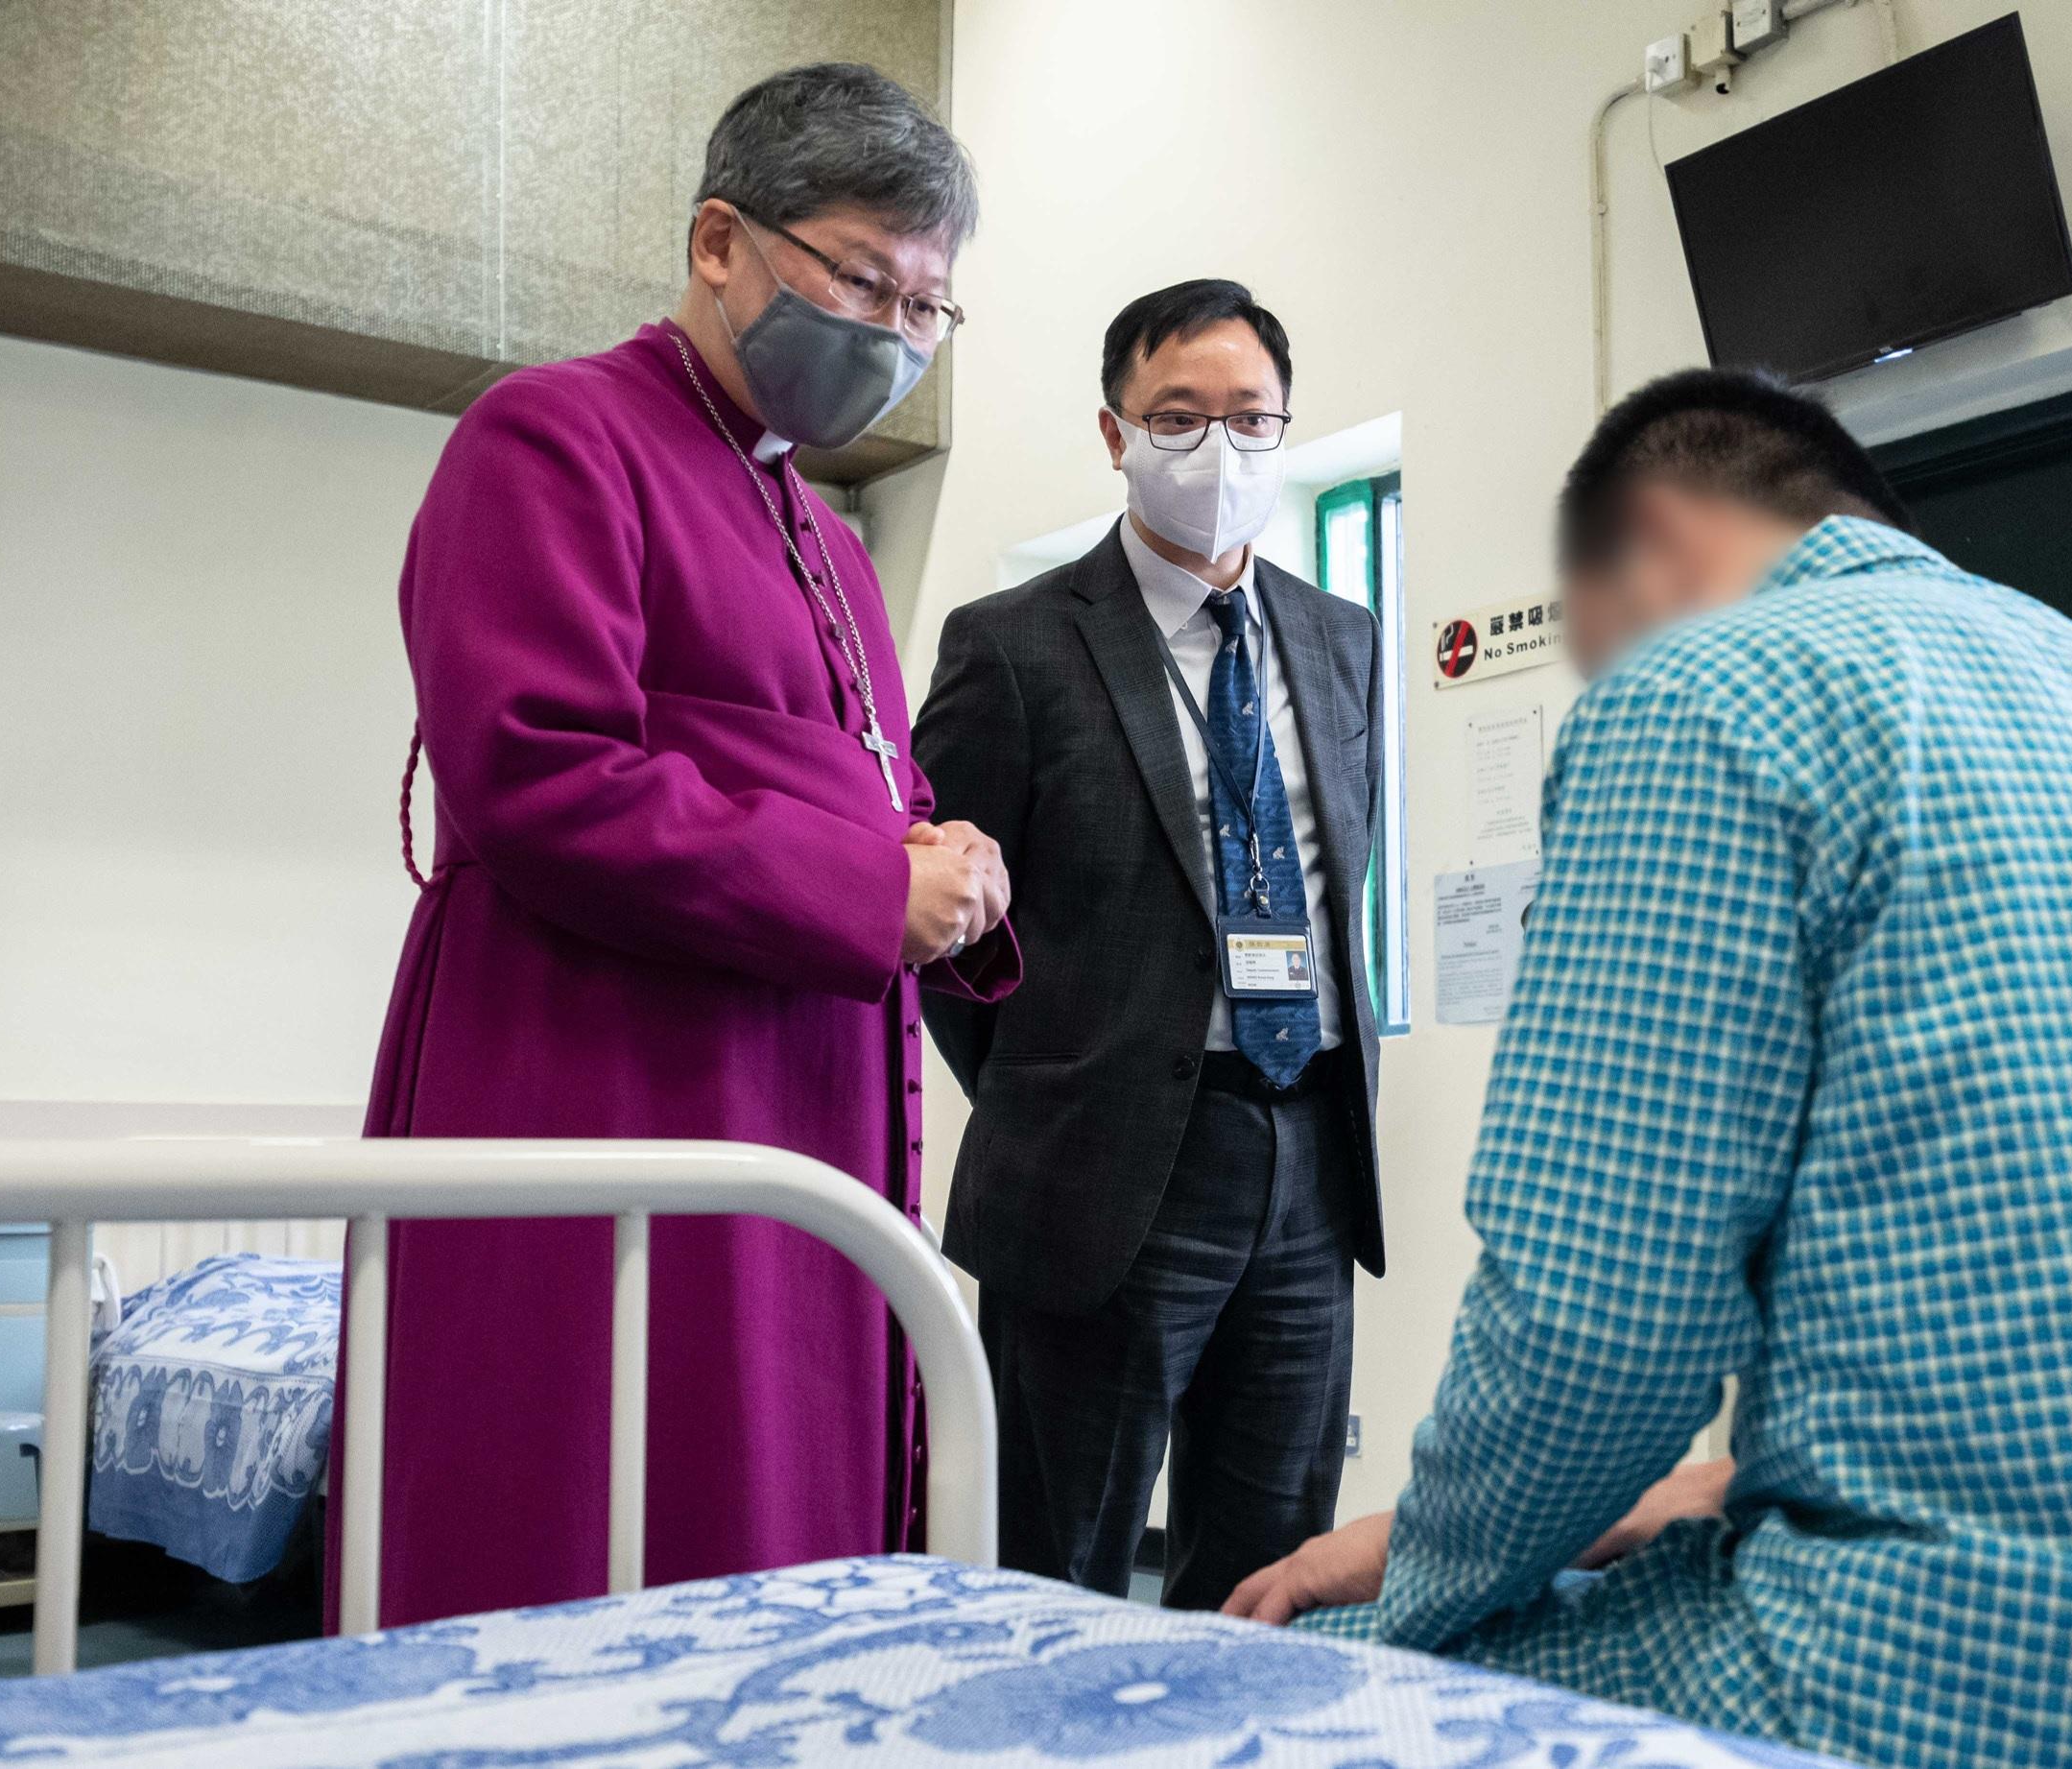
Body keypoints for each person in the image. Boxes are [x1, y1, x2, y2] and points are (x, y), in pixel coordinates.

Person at [1224, 371, 2072, 1768]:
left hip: (2003, 1664)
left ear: (1652, 548)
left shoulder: (1701, 698)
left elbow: (1598, 1328)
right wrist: (1653, 1503)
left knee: (1283, 1681)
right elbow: (2070, 1339)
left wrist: (1423, 1575)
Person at [342, 63, 1017, 1628]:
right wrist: (870, 883)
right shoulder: (553, 438)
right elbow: (537, 776)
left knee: (790, 1550)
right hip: (604, 1086)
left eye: (931, 309)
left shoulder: (834, 537)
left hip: (798, 1107)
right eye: (864, 279)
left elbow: (862, 787)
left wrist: (939, 865)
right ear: (722, 242)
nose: (897, 336)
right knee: (580, 1533)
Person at [913, 280, 1385, 1608]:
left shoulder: (1340, 641)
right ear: (1116, 434)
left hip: (1305, 1156)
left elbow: (1337, 877)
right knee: (1053, 1563)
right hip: (1100, 1169)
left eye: (1248, 419)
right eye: (1179, 419)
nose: (1216, 451)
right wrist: (1060, 1082)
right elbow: (952, 933)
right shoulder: (1014, 646)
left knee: (1273, 1567)